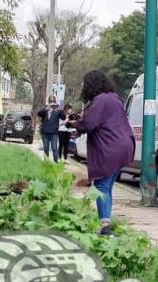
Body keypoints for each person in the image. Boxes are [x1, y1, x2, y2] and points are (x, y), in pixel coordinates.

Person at [67, 70, 135, 237]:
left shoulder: (100, 100)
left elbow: (89, 123)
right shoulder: (114, 98)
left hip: (109, 147)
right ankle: (106, 222)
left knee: (101, 187)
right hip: (124, 145)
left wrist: (73, 124)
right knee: (108, 187)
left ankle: (105, 227)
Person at [37, 96, 65, 162]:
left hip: (54, 133)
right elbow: (39, 114)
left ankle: (56, 164)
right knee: (46, 148)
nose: (52, 103)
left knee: (55, 148)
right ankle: (46, 163)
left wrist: (61, 110)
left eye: (53, 101)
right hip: (44, 132)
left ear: (55, 102)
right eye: (51, 101)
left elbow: (63, 118)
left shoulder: (58, 110)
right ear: (49, 102)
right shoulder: (46, 108)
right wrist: (46, 109)